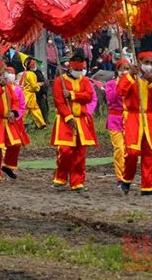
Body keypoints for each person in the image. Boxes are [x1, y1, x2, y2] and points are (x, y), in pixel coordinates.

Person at [117, 51, 152, 196]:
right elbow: (120, 91)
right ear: (139, 62)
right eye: (146, 62)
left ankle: (148, 187)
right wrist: (131, 75)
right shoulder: (129, 77)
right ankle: (126, 179)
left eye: (151, 63)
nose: (148, 65)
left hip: (150, 119)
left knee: (150, 153)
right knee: (132, 152)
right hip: (133, 118)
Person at [50, 55, 98, 192]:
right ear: (70, 67)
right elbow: (59, 102)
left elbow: (88, 96)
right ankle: (60, 177)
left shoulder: (85, 81)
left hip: (81, 119)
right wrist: (69, 117)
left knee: (80, 153)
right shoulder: (60, 81)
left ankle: (77, 182)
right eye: (77, 69)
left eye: (81, 69)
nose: (79, 71)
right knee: (65, 151)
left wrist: (72, 95)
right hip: (65, 121)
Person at [104, 58, 129, 188]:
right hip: (115, 119)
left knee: (129, 151)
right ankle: (120, 177)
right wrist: (121, 84)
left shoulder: (133, 83)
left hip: (130, 120)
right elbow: (111, 98)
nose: (124, 71)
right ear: (117, 70)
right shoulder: (110, 84)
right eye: (122, 69)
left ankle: (128, 175)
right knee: (119, 149)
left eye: (127, 69)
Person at [20, 58, 46, 129]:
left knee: (34, 109)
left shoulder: (26, 73)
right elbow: (34, 86)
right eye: (33, 65)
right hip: (28, 94)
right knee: (26, 109)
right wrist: (39, 85)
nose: (35, 66)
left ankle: (41, 124)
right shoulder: (31, 74)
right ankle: (20, 124)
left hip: (29, 94)